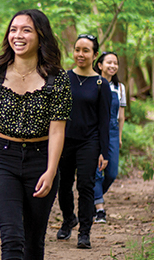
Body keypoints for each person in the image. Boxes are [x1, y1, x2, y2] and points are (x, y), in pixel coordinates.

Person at [0, 9, 71, 260]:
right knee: (12, 238)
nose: (18, 35)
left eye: (26, 30)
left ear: (40, 36)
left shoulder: (58, 79)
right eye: (13, 29)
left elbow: (57, 130)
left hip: (41, 160)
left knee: (34, 241)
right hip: (4, 159)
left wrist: (51, 170)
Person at [55, 34, 111, 249]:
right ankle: (69, 219)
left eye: (86, 50)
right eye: (77, 49)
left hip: (90, 141)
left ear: (95, 55)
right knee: (64, 185)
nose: (80, 54)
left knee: (86, 186)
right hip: (64, 140)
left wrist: (103, 151)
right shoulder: (64, 78)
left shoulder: (100, 83)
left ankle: (84, 232)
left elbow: (104, 120)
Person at [92, 51, 125, 224]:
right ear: (100, 65)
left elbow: (121, 115)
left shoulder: (120, 87)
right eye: (109, 62)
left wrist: (119, 136)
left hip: (112, 131)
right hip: (95, 131)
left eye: (115, 63)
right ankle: (99, 209)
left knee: (111, 173)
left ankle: (91, 199)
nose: (112, 66)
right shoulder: (93, 83)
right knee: (97, 171)